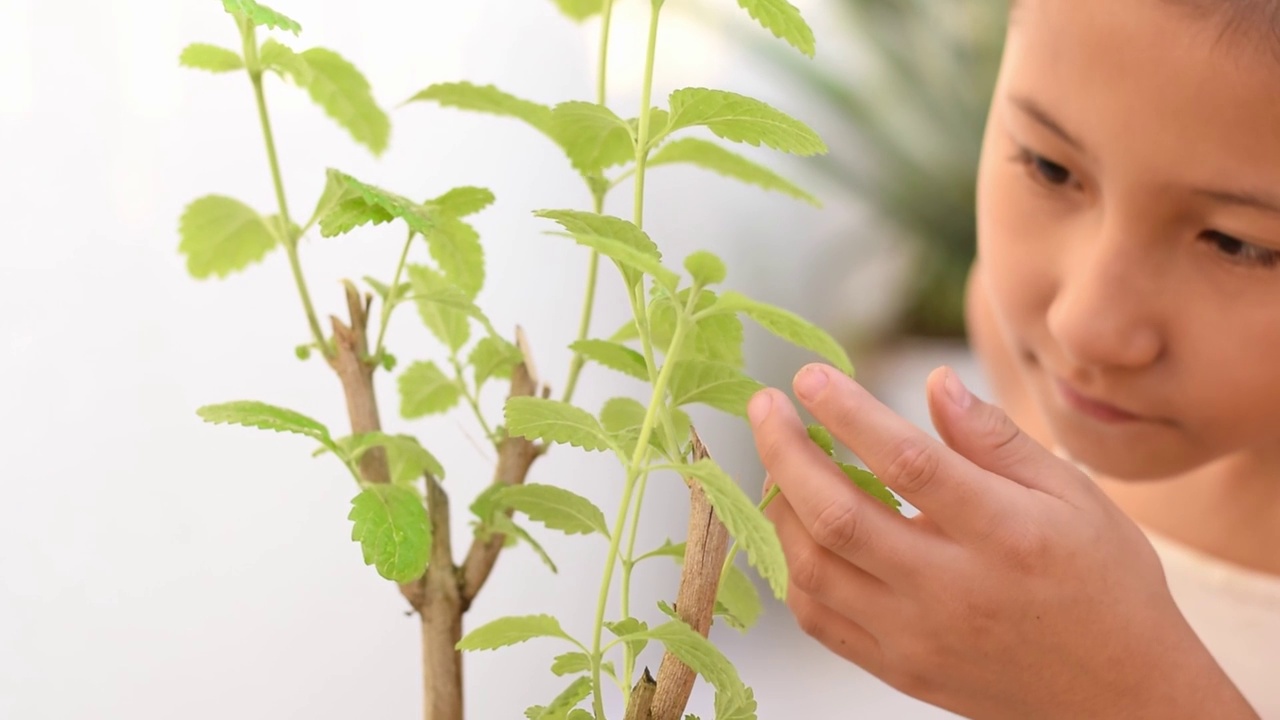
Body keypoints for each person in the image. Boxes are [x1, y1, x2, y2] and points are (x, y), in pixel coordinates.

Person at [746, 0, 1280, 717]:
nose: (1083, 325)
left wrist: (1125, 691)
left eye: (1238, 243)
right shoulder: (1022, 352)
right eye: (1051, 167)